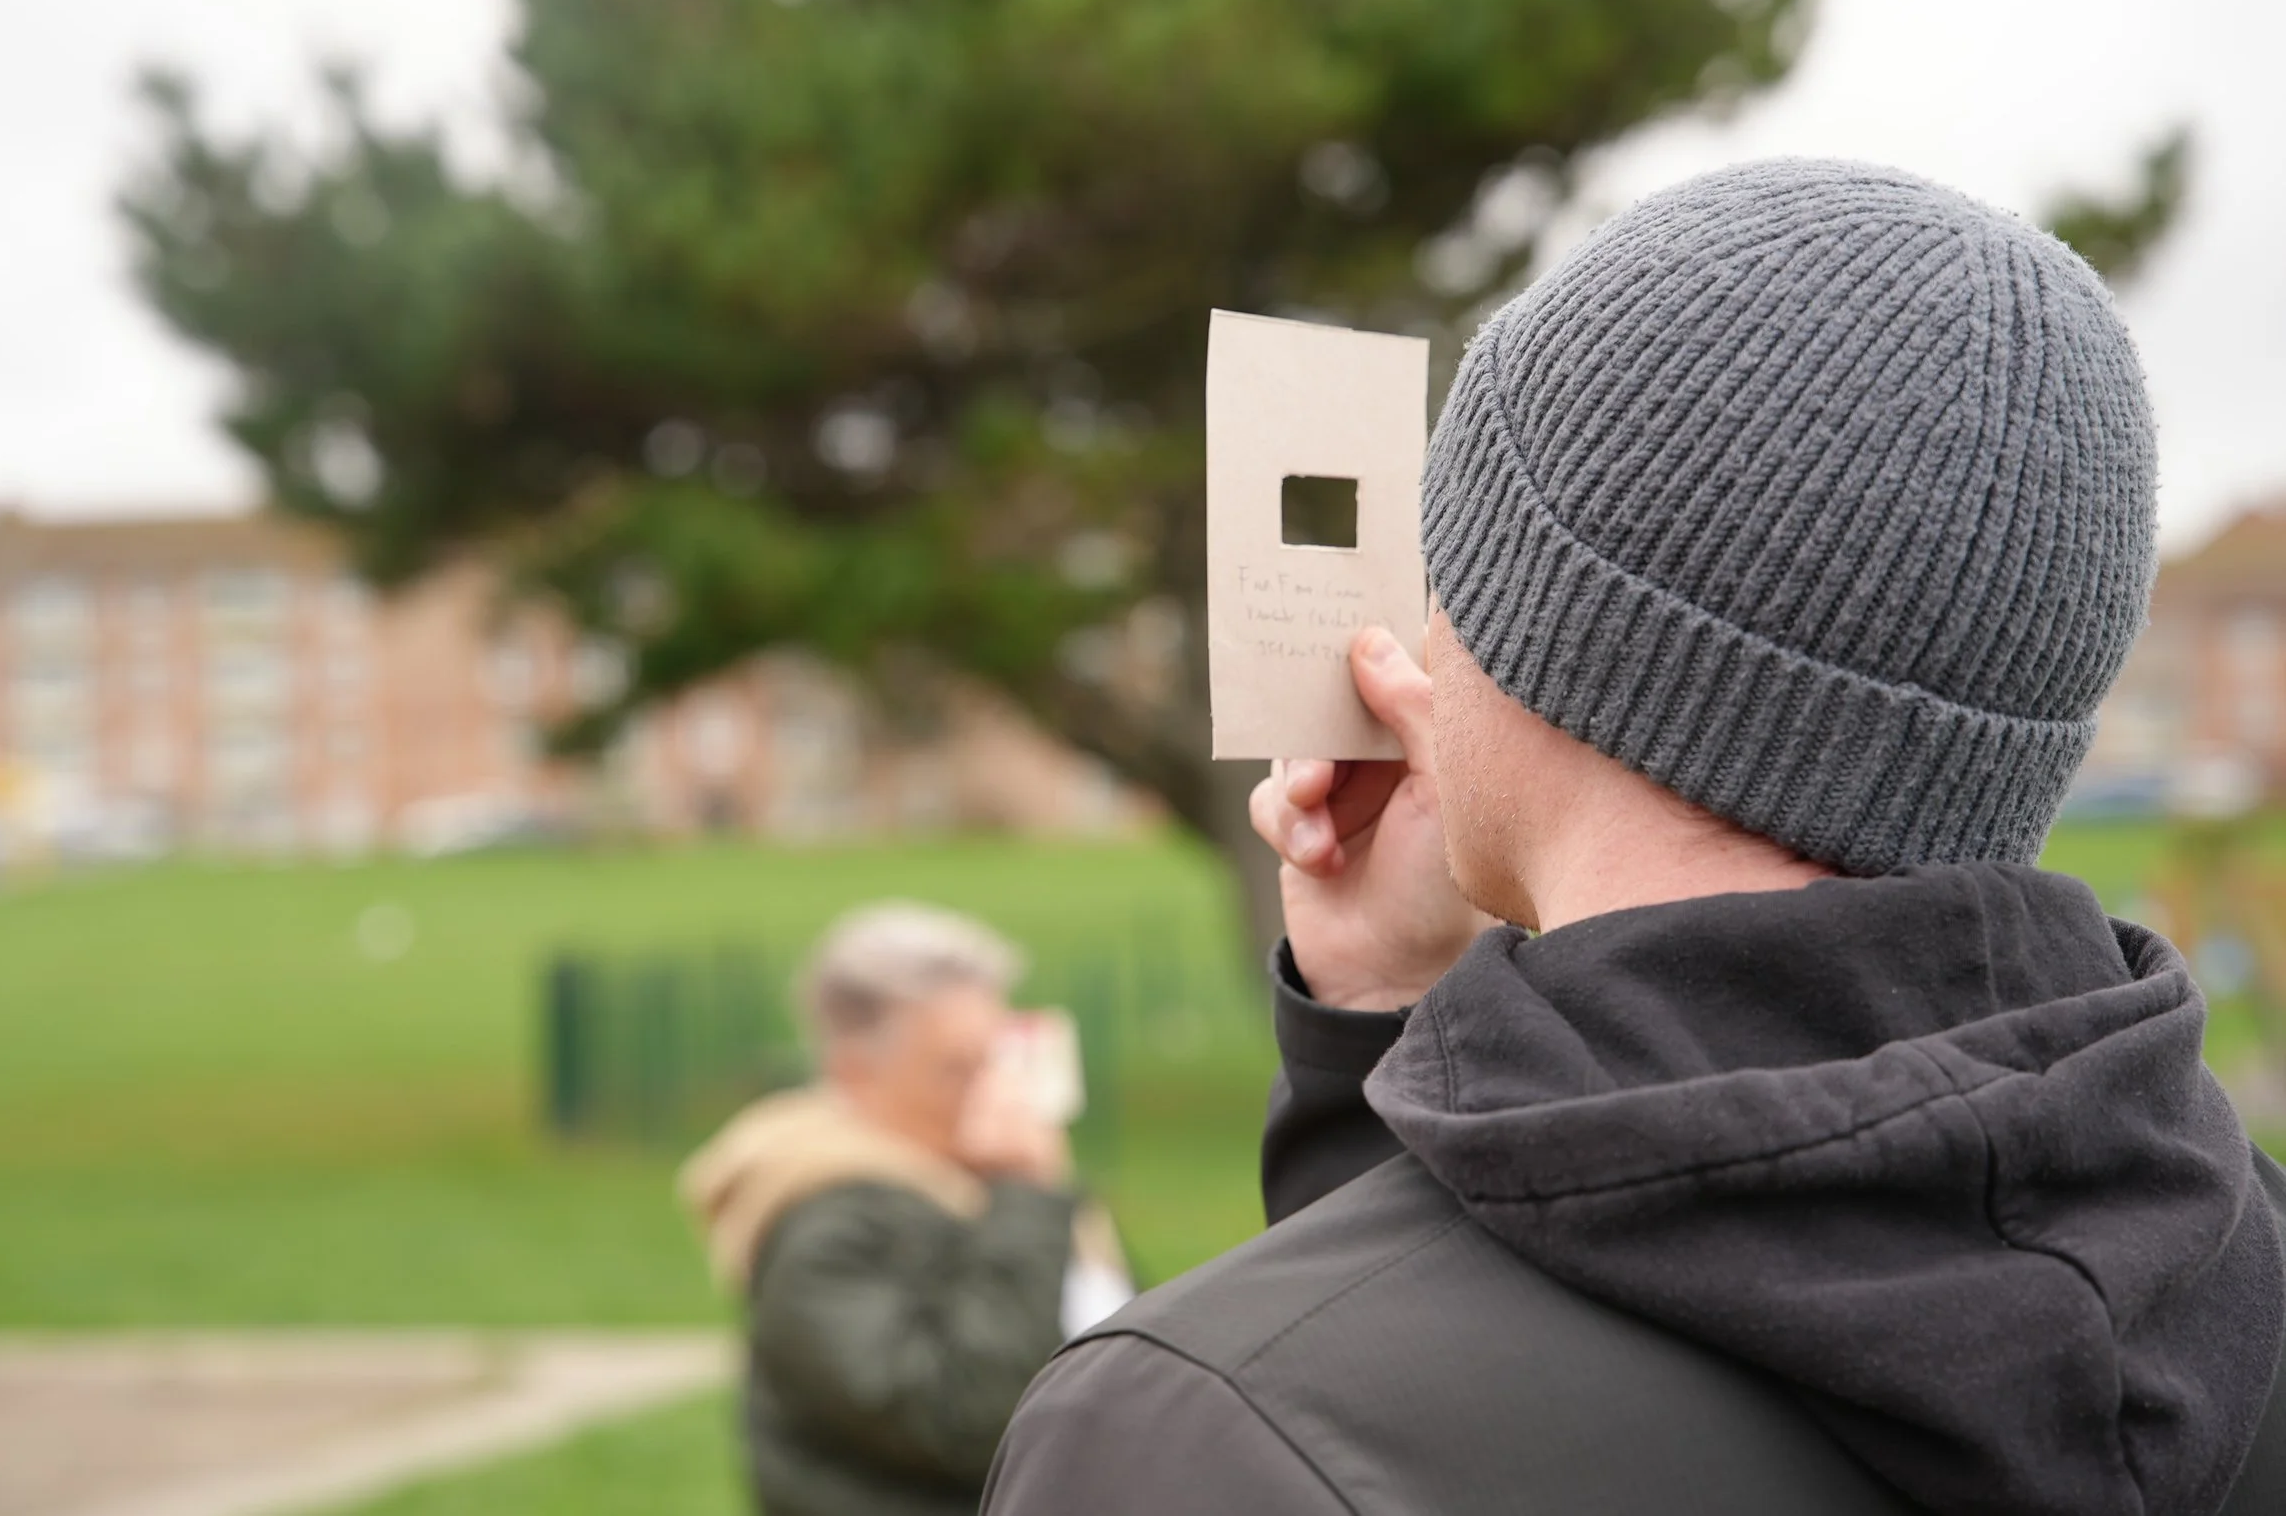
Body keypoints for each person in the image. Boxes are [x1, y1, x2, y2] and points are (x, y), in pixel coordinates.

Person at [986, 160, 2286, 1515]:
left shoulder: (1185, 1432)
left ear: (1550, 643)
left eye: (1453, 566)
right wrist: (1378, 1018)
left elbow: (1405, 1389)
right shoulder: (2233, 1266)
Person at [680, 901, 1128, 1516]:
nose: (997, 1092)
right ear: (855, 1074)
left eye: (996, 1060)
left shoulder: (979, 1187)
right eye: (957, 1068)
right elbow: (967, 1418)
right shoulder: (824, 1225)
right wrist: (1024, 1196)